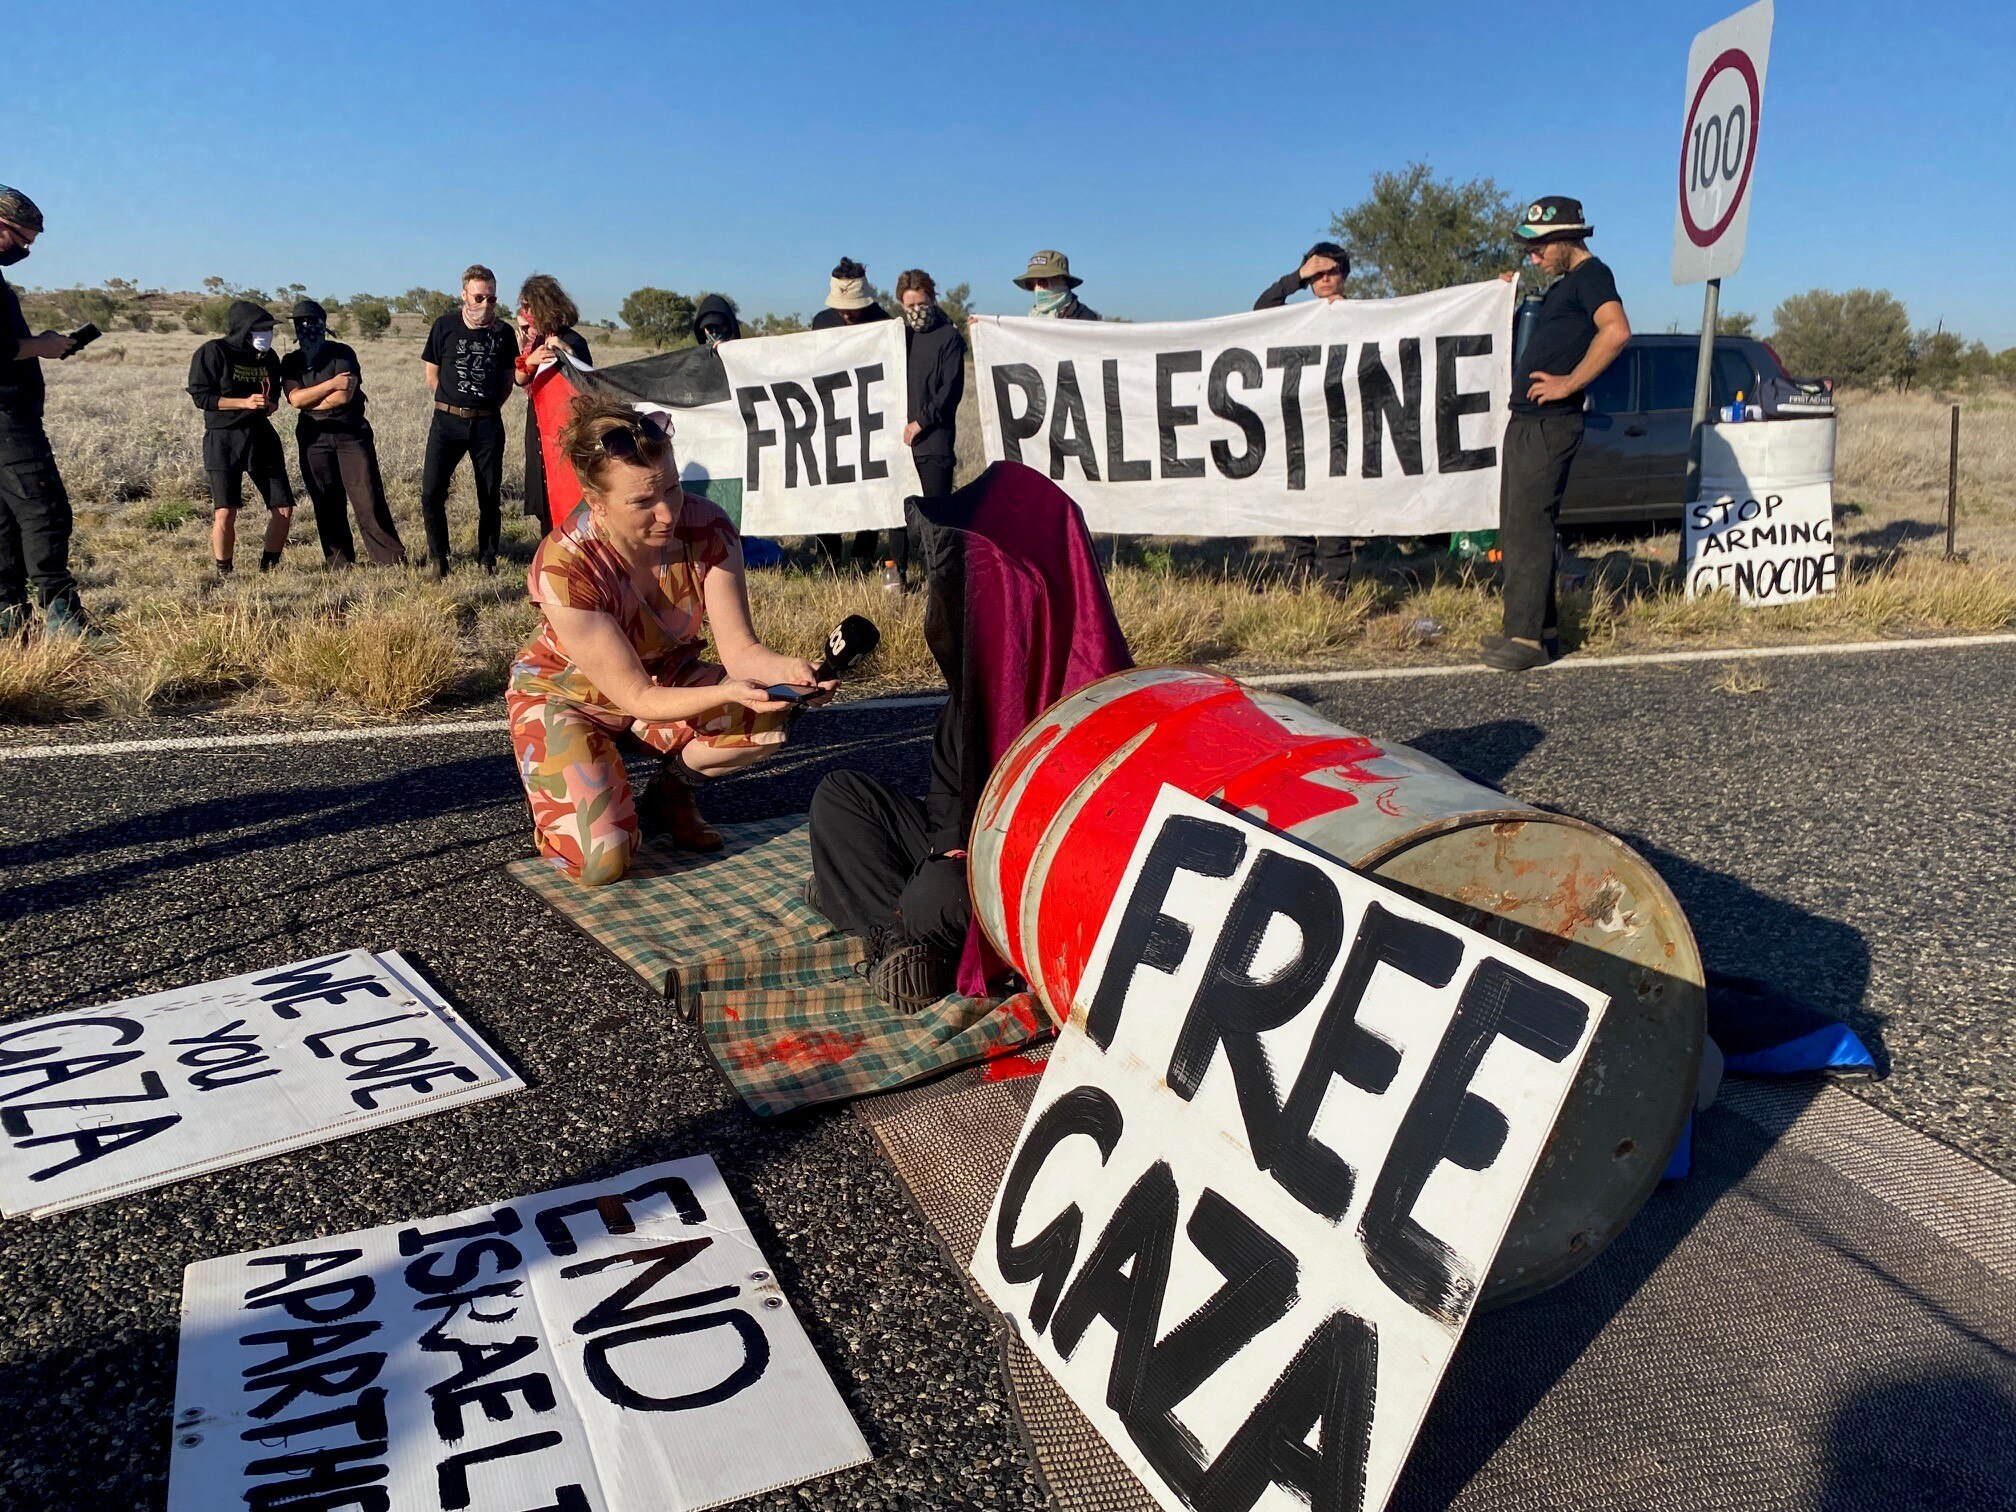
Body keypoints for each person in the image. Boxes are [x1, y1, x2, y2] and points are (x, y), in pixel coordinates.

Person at [807, 459, 1132, 1009]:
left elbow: (1078, 849)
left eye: (963, 583)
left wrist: (957, 858)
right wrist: (945, 847)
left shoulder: (1091, 688)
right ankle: (890, 928)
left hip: (1019, 874)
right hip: (951, 848)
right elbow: (947, 800)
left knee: (929, 898)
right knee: (840, 798)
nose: (948, 597)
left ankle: (880, 917)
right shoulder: (985, 667)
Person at [507, 392, 835, 886]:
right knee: (602, 863)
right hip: (568, 697)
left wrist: (790, 672)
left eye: (674, 489)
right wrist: (726, 689)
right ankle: (587, 790)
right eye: (642, 501)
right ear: (595, 502)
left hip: (663, 677)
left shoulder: (707, 526)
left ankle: (670, 792)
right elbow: (634, 696)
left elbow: (742, 651)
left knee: (764, 720)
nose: (667, 513)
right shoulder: (564, 564)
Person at [1484, 196, 1628, 672]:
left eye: (1540, 246)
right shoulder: (1565, 286)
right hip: (1528, 422)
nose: (1534, 255)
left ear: (1568, 238)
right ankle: (1537, 632)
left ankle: (1525, 639)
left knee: (1529, 525)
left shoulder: (1593, 276)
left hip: (1551, 422)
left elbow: (1616, 332)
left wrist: (1569, 383)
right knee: (1519, 524)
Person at [0, 184, 89, 638]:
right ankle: (62, 617)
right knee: (44, 510)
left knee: (5, 519)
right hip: (6, 420)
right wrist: (43, 346)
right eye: (21, 238)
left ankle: (10, 620)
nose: (26, 249)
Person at [1255, 241, 1355, 592]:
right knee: (1294, 504)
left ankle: (1335, 587)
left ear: (1344, 275)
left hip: (1340, 426)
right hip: (1297, 425)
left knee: (1332, 507)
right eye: (1317, 274)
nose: (1324, 279)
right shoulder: (1295, 319)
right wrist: (1297, 276)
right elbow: (1262, 308)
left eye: (1332, 272)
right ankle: (1298, 581)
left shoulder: (1363, 315)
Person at [280, 300, 406, 569]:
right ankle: (339, 561)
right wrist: (329, 385)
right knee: (325, 498)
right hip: (314, 437)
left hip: (350, 433)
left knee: (367, 496)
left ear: (324, 324)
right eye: (300, 323)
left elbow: (343, 395)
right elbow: (295, 399)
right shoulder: (291, 361)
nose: (306, 328)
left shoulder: (342, 353)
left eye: (312, 322)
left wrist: (311, 400)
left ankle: (389, 560)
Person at [420, 265, 519, 578]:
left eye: (491, 299)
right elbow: (432, 374)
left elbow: (507, 381)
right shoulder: (444, 326)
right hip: (446, 424)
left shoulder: (503, 333)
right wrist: (453, 403)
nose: (485, 305)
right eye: (479, 297)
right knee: (431, 492)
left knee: (489, 495)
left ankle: (487, 558)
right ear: (464, 294)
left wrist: (484, 408)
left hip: (487, 426)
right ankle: (439, 558)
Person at [187, 301, 295, 576]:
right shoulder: (213, 352)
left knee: (283, 507)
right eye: (261, 328)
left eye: (269, 329)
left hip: (260, 437)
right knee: (226, 509)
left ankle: (268, 568)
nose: (266, 334)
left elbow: (273, 395)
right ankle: (224, 571)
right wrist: (243, 403)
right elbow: (202, 398)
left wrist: (270, 404)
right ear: (243, 329)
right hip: (223, 439)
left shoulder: (269, 358)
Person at [809, 258, 890, 571]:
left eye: (852, 307)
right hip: (828, 420)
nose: (845, 313)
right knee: (824, 487)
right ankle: (827, 555)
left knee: (868, 487)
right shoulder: (821, 322)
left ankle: (862, 556)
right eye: (841, 306)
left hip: (869, 420)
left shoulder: (884, 324)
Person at [896, 269, 965, 585]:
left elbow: (950, 391)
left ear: (933, 300)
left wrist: (921, 422)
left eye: (921, 304)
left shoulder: (949, 337)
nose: (916, 313)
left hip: (934, 445)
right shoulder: (899, 338)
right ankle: (896, 575)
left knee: (935, 518)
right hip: (898, 445)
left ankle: (939, 581)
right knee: (898, 519)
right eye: (910, 307)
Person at [514, 274, 593, 535]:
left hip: (563, 433)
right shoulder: (536, 341)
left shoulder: (575, 340)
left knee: (568, 501)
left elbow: (586, 383)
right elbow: (519, 377)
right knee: (544, 502)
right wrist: (532, 359)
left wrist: (566, 352)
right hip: (538, 430)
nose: (525, 312)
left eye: (528, 306)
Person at [1014, 249, 1100, 321]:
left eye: (1042, 281)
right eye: (1032, 284)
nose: (1038, 288)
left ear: (1063, 281)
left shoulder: (1085, 318)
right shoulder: (1030, 319)